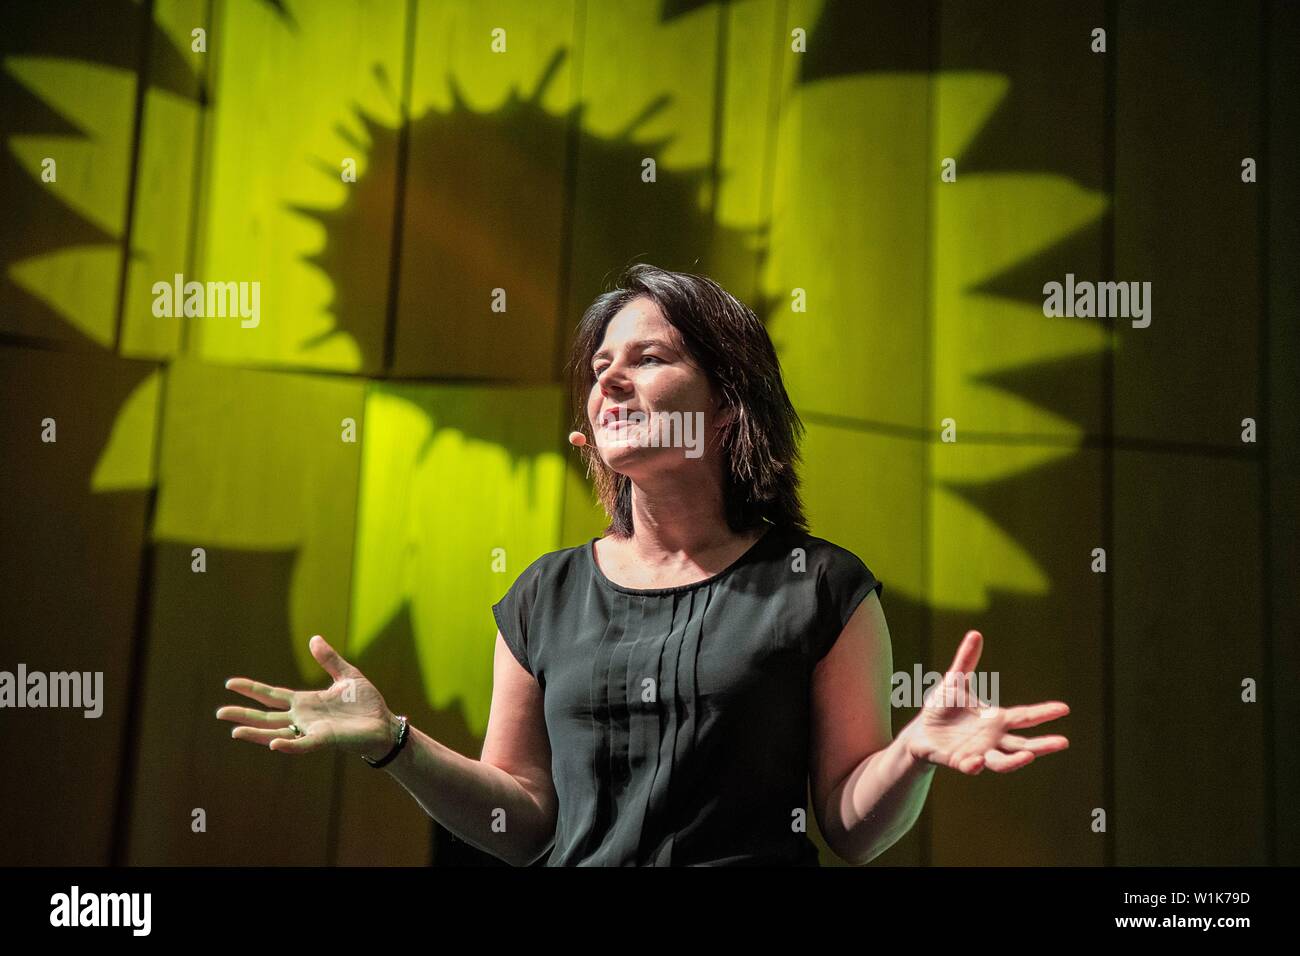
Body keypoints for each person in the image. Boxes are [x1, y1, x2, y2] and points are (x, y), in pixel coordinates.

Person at [217, 263, 1070, 866]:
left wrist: (913, 754)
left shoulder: (825, 588)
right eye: (600, 368)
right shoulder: (542, 596)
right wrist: (395, 745)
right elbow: (524, 825)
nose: (610, 381)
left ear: (729, 406)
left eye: (648, 358)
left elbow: (850, 828)